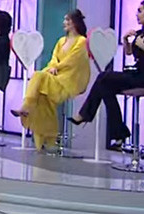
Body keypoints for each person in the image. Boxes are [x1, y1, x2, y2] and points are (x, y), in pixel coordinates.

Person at [69, 0, 144, 148]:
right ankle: (119, 135)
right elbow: (129, 53)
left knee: (103, 77)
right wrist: (125, 40)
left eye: (140, 11)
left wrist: (143, 46)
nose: (137, 14)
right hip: (136, 74)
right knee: (105, 87)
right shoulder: (141, 33)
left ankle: (85, 115)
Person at [10, 9, 90, 150]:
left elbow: (73, 60)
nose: (64, 22)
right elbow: (54, 58)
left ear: (75, 23)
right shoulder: (61, 41)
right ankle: (46, 141)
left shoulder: (82, 41)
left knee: (38, 75)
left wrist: (56, 67)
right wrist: (53, 66)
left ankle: (26, 106)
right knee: (42, 100)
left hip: (69, 79)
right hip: (55, 76)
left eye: (67, 20)